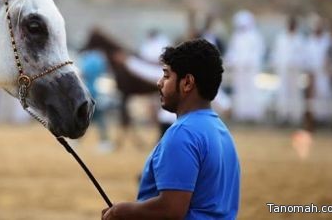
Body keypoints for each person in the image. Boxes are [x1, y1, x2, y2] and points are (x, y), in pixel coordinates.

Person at [102, 39, 240, 220]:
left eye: (166, 76)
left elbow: (171, 210)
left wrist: (120, 211)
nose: (159, 82)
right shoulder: (221, 131)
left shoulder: (182, 134)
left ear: (187, 83)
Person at [224, 10, 265, 122]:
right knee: (240, 91)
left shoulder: (255, 36)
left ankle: (253, 114)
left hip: (250, 70)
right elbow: (232, 51)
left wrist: (249, 62)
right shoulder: (236, 36)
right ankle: (241, 114)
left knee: (251, 90)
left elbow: (259, 52)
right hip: (239, 69)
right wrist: (230, 60)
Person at [270, 15, 306, 126]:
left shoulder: (300, 39)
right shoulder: (281, 38)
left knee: (295, 94)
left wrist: (295, 63)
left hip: (295, 72)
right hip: (283, 71)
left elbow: (303, 55)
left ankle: (296, 118)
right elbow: (276, 53)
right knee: (283, 93)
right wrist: (276, 64)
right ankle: (283, 117)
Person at [79, 48, 113, 152]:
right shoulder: (101, 59)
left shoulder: (86, 59)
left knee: (86, 119)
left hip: (89, 93)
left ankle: (104, 142)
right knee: (98, 120)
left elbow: (82, 74)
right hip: (98, 94)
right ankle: (105, 142)